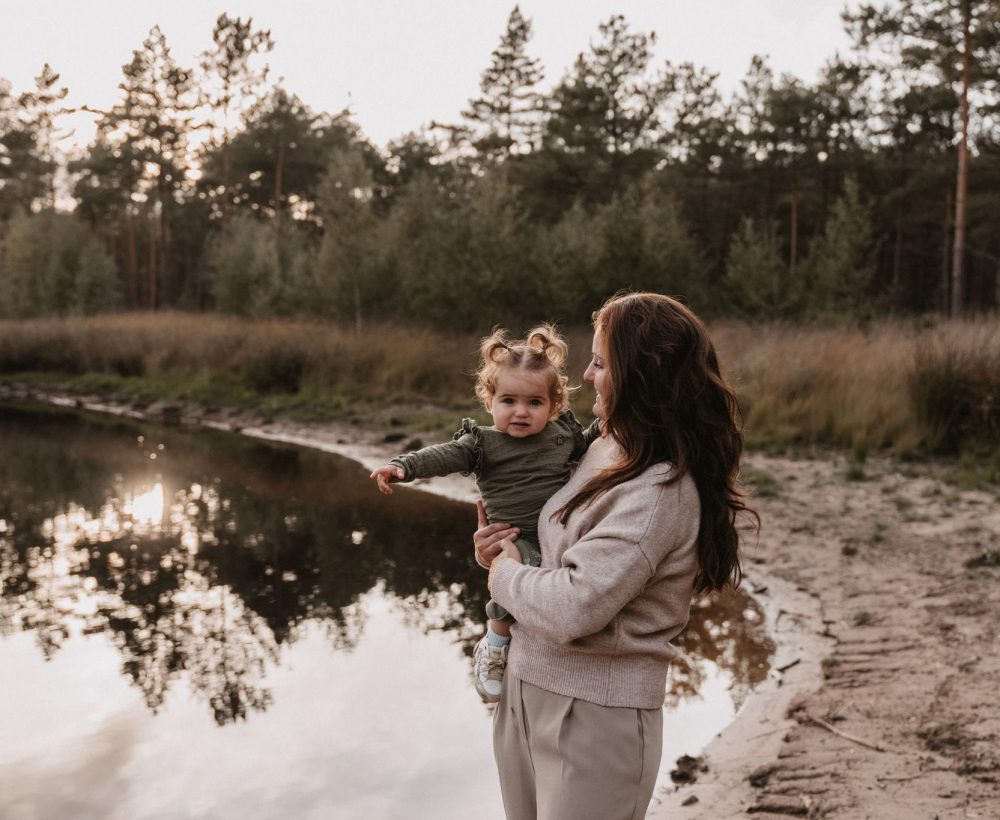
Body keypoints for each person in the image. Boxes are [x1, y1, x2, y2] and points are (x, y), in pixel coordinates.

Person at [474, 292, 758, 820]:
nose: (585, 374)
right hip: (527, 687)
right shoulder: (608, 444)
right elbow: (557, 553)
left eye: (600, 363)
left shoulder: (659, 490)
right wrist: (500, 546)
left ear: (639, 375)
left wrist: (503, 572)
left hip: (595, 716)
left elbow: (575, 606)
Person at [370, 324, 599, 702]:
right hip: (512, 535)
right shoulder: (483, 444)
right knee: (513, 568)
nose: (521, 412)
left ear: (553, 405)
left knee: (560, 591)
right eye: (509, 401)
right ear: (490, 400)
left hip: (560, 532)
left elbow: (591, 445)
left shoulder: (562, 435)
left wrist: (613, 422)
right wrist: (403, 467)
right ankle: (494, 643)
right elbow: (443, 455)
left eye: (534, 403)